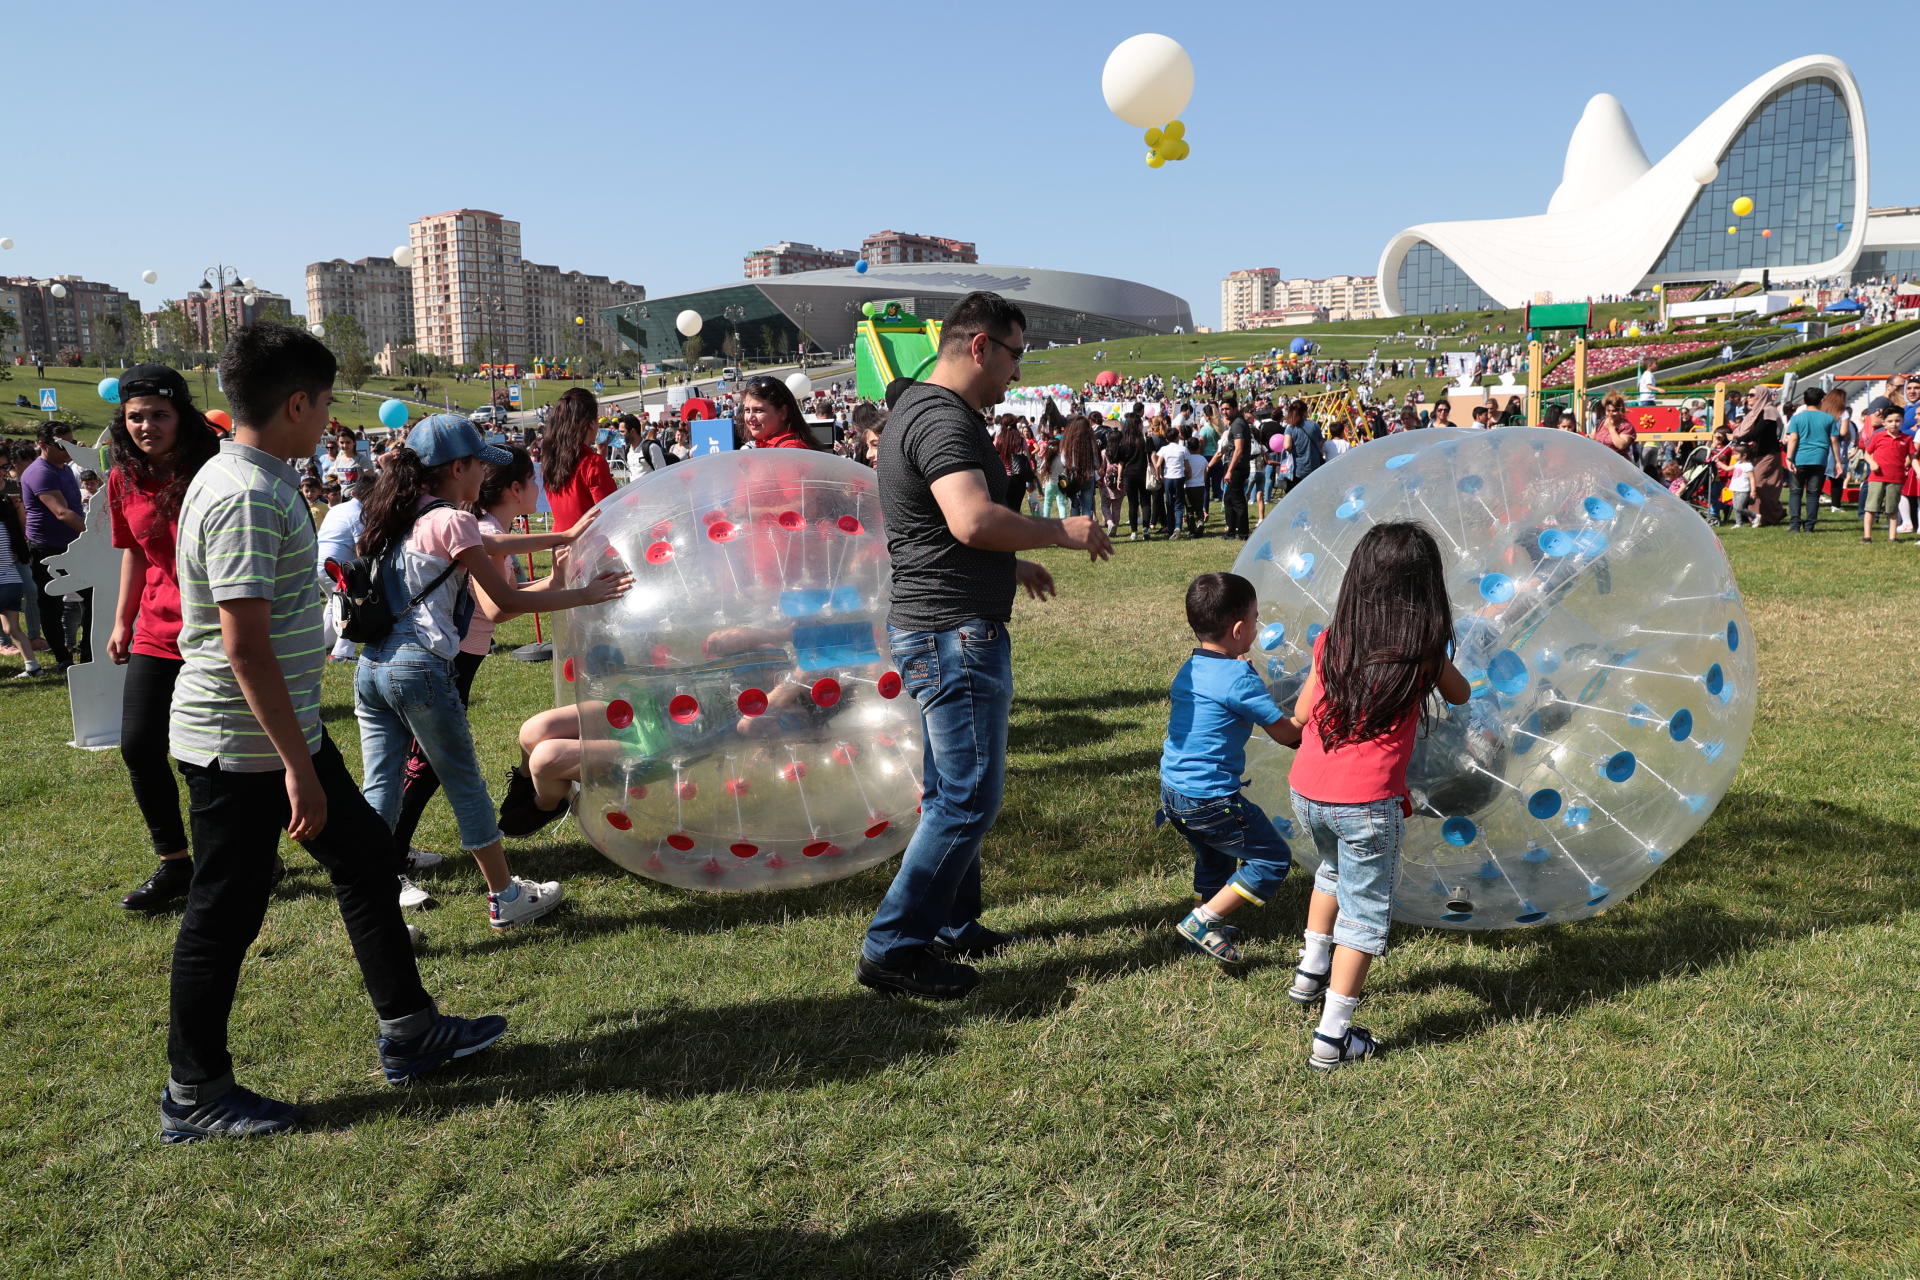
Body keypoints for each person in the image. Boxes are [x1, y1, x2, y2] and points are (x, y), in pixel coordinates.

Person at [162, 323, 504, 1143]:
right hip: (241, 744)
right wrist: (298, 766)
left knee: (365, 860)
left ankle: (410, 1030)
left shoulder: (250, 477)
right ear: (297, 404)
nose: (328, 422)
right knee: (225, 911)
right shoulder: (246, 495)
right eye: (323, 405)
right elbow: (243, 648)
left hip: (278, 733)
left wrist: (301, 751)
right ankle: (193, 1091)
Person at [862, 290, 1111, 999]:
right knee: (968, 799)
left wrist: (1013, 564)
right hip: (952, 632)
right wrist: (1060, 531)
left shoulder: (918, 410)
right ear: (980, 347)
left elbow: (939, 528)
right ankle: (894, 948)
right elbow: (971, 520)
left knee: (950, 789)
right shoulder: (943, 419)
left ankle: (949, 922)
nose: (1017, 373)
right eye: (1014, 356)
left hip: (935, 623)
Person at [352, 416, 630, 930]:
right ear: (458, 468)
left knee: (381, 786)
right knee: (466, 786)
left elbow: (492, 547)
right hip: (420, 668)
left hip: (372, 668)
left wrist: (564, 535)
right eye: (480, 463)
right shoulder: (452, 519)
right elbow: (504, 600)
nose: (485, 474)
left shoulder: (399, 510)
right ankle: (505, 897)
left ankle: (375, 903)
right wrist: (585, 594)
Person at [1284, 522, 1469, 1070]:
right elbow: (1461, 695)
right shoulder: (1421, 655)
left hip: (1308, 790)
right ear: (1424, 590)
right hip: (1366, 803)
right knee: (1363, 914)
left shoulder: (1332, 639)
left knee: (1331, 871)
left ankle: (1309, 972)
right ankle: (1332, 1038)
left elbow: (1301, 712)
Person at [104, 364, 222, 911]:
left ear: (182, 416)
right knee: (138, 744)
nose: (146, 426)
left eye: (159, 414)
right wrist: (122, 620)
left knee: (213, 754)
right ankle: (175, 863)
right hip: (155, 630)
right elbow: (133, 550)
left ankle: (239, 852)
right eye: (135, 417)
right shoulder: (122, 477)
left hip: (216, 628)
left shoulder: (213, 469)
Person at [1164, 573, 1301, 965]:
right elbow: (1287, 735)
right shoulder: (1239, 678)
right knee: (1272, 858)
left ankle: (1204, 928)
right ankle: (1202, 921)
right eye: (1256, 619)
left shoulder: (1193, 667)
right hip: (1211, 799)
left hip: (1175, 791)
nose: (1258, 627)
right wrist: (1314, 705)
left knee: (1214, 857)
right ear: (1239, 630)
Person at [21, 421, 90, 670]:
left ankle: (88, 654)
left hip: (74, 545)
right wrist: (94, 535)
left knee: (93, 598)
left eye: (71, 443)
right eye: (62, 445)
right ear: (42, 445)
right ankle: (63, 659)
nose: (68, 449)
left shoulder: (64, 468)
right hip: (47, 548)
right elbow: (61, 512)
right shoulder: (41, 472)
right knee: (52, 603)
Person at [540, 388, 617, 533]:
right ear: (590, 423)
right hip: (590, 541)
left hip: (560, 539)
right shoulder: (592, 463)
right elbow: (609, 512)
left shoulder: (552, 460)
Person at [0, 464, 39, 678]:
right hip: (12, 583)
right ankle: (32, 666)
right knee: (12, 628)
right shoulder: (9, 531)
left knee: (10, 629)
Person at [1783, 387, 1837, 533]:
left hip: (1799, 458)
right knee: (1813, 493)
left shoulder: (1796, 418)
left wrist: (1789, 458)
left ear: (1804, 400)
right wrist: (1838, 462)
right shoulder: (1829, 418)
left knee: (1795, 492)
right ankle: (1809, 526)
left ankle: (1795, 525)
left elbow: (1793, 438)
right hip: (1819, 459)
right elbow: (1834, 441)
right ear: (1822, 400)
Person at [1732, 388, 1787, 526]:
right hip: (1759, 453)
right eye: (1748, 394)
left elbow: (1758, 432)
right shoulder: (1756, 412)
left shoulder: (1769, 411)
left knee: (1759, 484)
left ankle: (1771, 514)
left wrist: (1739, 439)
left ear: (1761, 396)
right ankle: (1763, 516)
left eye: (1751, 395)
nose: (1748, 397)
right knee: (1759, 485)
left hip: (1768, 454)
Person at [1859, 402, 1912, 543]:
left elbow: (1911, 456)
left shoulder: (1906, 439)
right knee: (1871, 507)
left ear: (1902, 421)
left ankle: (1893, 537)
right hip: (1877, 477)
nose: (1894, 424)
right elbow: (1867, 453)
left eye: (1897, 421)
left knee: (1892, 509)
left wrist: (1906, 466)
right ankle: (1867, 536)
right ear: (1883, 422)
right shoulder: (1878, 436)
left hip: (1896, 478)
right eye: (1890, 421)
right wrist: (1872, 463)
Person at [738, 375, 829, 450]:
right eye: (747, 410)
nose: (750, 417)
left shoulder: (790, 449)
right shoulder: (766, 444)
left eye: (758, 410)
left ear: (783, 412)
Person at [1219, 407, 1252, 540]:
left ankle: (1242, 533)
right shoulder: (1237, 423)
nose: (1224, 412)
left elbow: (1238, 450)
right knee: (1229, 499)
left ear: (1234, 408)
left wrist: (1230, 470)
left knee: (1237, 501)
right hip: (1236, 467)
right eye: (1222, 409)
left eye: (1227, 409)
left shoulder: (1238, 424)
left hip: (1237, 468)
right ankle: (1231, 531)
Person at [1283, 400, 1325, 489]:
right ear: (1305, 412)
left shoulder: (1290, 428)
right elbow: (1321, 442)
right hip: (1314, 465)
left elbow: (1287, 446)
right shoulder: (1314, 425)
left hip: (1298, 468)